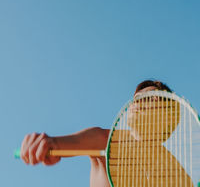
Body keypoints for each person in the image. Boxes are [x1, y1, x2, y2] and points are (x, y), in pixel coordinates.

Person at [20, 80, 193, 187]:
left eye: (151, 98)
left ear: (168, 119)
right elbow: (94, 139)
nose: (136, 102)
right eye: (136, 98)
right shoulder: (109, 141)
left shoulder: (175, 172)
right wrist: (54, 144)